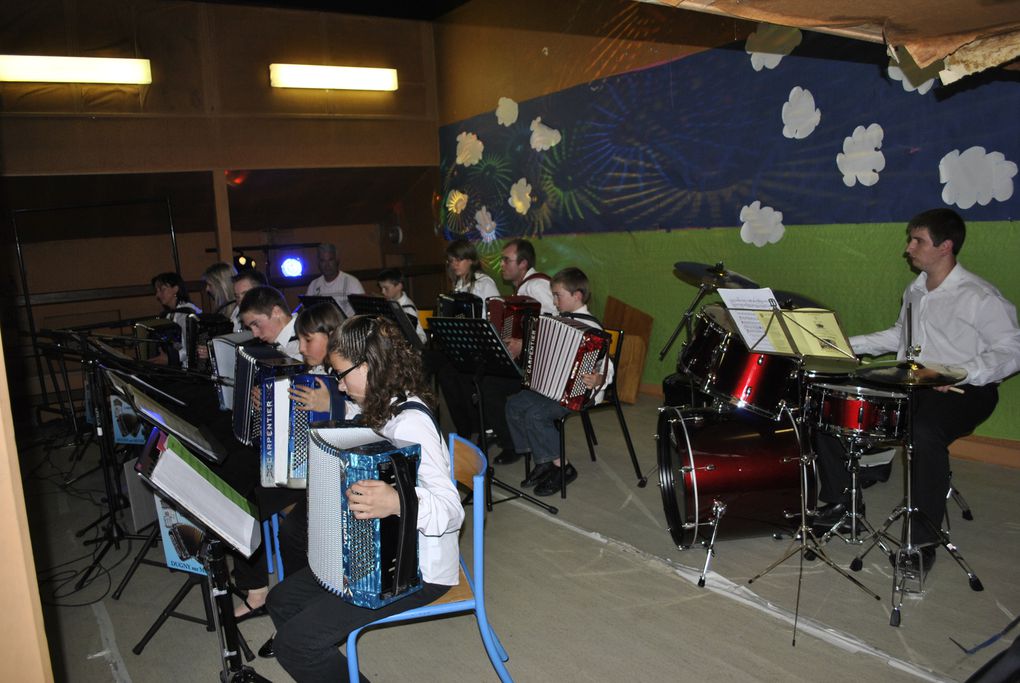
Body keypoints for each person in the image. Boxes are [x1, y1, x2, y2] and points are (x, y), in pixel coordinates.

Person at [812, 208, 1020, 573]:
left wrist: (959, 373)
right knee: (830, 400)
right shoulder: (917, 289)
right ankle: (841, 505)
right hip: (914, 383)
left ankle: (923, 541)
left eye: (917, 240)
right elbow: (900, 336)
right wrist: (846, 344)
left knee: (923, 433)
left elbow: (1012, 350)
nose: (909, 248)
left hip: (966, 391)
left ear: (946, 246)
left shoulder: (979, 296)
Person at [266, 315, 463, 682]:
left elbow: (452, 511)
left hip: (418, 570)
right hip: (382, 551)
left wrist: (397, 502)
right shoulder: (380, 406)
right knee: (281, 600)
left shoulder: (409, 422)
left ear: (371, 364)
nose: (339, 386)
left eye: (342, 374)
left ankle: (317, 654)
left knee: (295, 644)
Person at [503, 267, 612, 496]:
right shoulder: (556, 321)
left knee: (536, 415)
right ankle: (542, 459)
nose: (553, 301)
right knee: (514, 404)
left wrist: (599, 378)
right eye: (552, 295)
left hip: (578, 392)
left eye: (558, 295)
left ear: (577, 296)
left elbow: (608, 366)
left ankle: (563, 467)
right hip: (549, 388)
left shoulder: (592, 329)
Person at [150, 272, 201, 367]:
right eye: (156, 291)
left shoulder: (187, 314)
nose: (157, 295)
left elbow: (192, 347)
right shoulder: (169, 314)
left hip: (188, 370)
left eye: (162, 289)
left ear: (176, 289)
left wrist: (171, 358)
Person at [238, 286, 302, 361]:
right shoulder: (271, 346)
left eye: (256, 324)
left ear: (276, 312)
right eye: (250, 328)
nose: (255, 334)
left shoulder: (306, 338)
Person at [305, 243, 365, 317]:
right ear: (318, 263)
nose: (327, 265)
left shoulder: (352, 282)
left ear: (337, 260)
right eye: (323, 261)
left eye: (330, 260)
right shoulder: (313, 285)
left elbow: (362, 312)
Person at [378, 267, 426, 343]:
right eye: (381, 288)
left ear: (399, 286)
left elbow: (422, 337)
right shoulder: (389, 303)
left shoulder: (408, 308)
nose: (382, 292)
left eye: (386, 288)